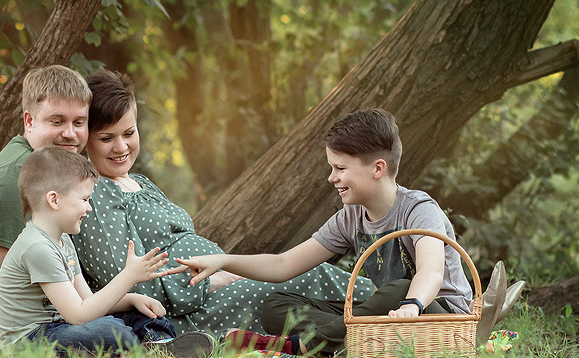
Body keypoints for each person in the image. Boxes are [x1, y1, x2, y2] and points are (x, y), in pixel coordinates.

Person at [73, 70, 372, 336]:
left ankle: (400, 313)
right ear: (86, 139)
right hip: (192, 315)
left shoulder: (139, 182)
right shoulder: (97, 197)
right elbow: (133, 286)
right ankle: (398, 317)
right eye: (106, 138)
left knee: (309, 280)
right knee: (308, 280)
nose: (121, 146)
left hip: (218, 287)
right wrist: (218, 280)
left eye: (129, 133)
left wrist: (228, 272)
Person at [177, 109, 474, 356]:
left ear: (378, 168)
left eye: (340, 168)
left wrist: (412, 304)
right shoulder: (351, 217)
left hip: (436, 313)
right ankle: (344, 339)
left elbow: (431, 273)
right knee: (276, 306)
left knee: (399, 289)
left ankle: (295, 347)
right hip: (386, 315)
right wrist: (223, 261)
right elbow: (283, 265)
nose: (332, 177)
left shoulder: (418, 209)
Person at [0, 146, 196, 356]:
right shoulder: (37, 248)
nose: (89, 208)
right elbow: (79, 315)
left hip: (62, 328)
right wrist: (129, 277)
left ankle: (161, 344)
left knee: (139, 315)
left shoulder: (63, 239)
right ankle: (143, 348)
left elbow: (87, 301)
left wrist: (131, 300)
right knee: (110, 332)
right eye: (84, 200)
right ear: (54, 200)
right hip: (30, 342)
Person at [0, 64, 91, 347]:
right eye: (57, 121)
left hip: (61, 311)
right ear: (29, 121)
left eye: (78, 122)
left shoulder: (54, 169)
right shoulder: (12, 178)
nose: (70, 134)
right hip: (32, 331)